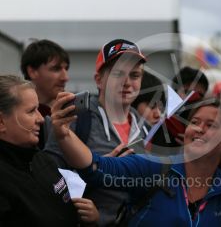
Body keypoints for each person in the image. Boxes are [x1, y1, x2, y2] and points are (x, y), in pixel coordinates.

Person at [51, 94, 221, 227]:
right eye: (195, 122)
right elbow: (97, 168)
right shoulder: (155, 166)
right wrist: (63, 135)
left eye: (212, 125)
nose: (199, 128)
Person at [44, 38, 150, 226]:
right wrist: (93, 173)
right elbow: (48, 176)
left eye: (134, 75)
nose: (127, 83)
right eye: (118, 74)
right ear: (99, 80)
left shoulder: (147, 129)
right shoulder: (74, 118)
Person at [0, 75, 98, 226]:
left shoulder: (41, 159)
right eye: (31, 111)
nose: (41, 119)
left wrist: (89, 219)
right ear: (1, 122)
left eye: (38, 109)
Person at [20, 39, 70, 149]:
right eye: (56, 69)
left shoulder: (69, 114)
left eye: (66, 69)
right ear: (32, 72)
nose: (65, 77)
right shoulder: (15, 115)